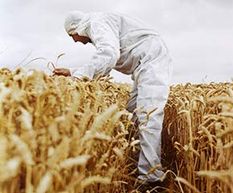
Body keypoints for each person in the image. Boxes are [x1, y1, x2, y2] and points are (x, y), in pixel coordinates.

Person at [54, 11, 172, 191]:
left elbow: (109, 53)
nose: (75, 41)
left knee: (148, 116)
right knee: (133, 115)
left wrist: (79, 78)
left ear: (76, 29)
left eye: (72, 36)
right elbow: (107, 53)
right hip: (144, 65)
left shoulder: (96, 22)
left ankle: (151, 179)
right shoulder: (98, 24)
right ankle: (134, 162)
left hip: (152, 62)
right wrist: (73, 72)